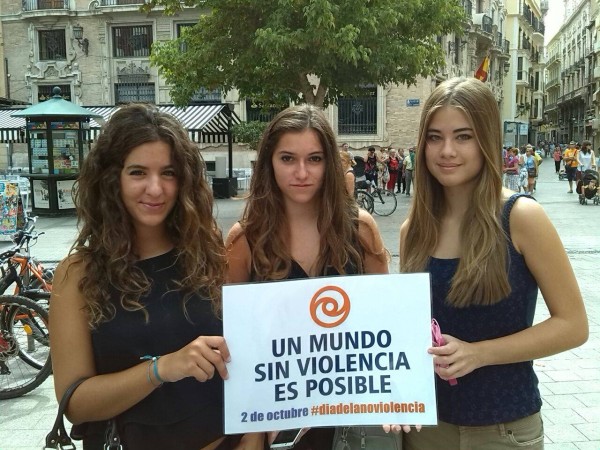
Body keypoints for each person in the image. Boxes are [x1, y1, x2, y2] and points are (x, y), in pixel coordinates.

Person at [49, 104, 262, 450]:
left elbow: (244, 356)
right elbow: (74, 403)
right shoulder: (77, 275)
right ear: (111, 179)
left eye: (168, 173)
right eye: (137, 173)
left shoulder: (207, 252)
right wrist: (161, 369)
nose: (155, 189)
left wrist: (254, 437)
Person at [399, 77, 588, 450]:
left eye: (463, 137)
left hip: (504, 430)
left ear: (486, 139)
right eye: (434, 137)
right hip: (426, 428)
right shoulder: (413, 231)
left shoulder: (521, 217)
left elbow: (573, 325)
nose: (447, 151)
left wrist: (478, 354)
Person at [225, 104, 389, 449]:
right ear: (269, 162)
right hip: (275, 425)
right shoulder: (245, 241)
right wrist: (254, 427)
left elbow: (384, 324)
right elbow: (233, 343)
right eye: (288, 158)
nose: (301, 172)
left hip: (350, 422)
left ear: (330, 163)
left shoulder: (359, 229)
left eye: (314, 159)